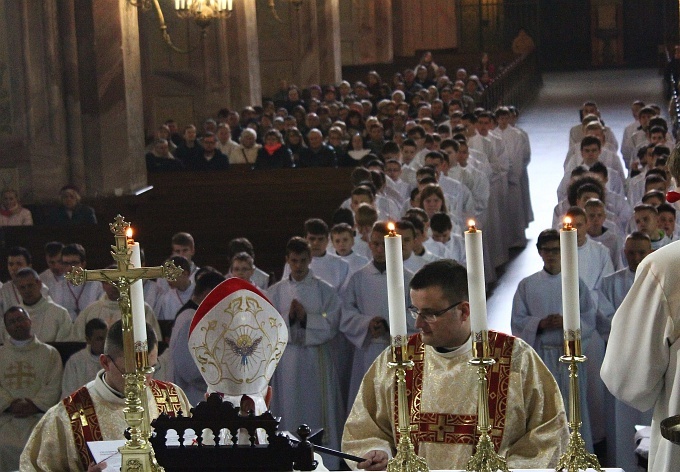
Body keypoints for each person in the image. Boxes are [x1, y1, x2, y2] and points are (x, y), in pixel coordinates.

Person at [343, 260, 569, 470]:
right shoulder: (398, 359)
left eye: (430, 314)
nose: (419, 323)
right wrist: (378, 452)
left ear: (464, 311)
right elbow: (365, 428)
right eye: (415, 311)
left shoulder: (515, 359)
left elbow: (548, 432)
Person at [21, 320, 191, 471]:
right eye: (132, 372)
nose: (143, 381)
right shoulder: (67, 415)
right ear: (105, 362)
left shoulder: (172, 398)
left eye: (150, 369)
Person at [510, 229, 597, 450]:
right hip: (543, 355)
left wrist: (569, 323)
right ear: (539, 252)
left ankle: (577, 452)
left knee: (574, 408)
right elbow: (517, 321)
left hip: (569, 355)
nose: (551, 255)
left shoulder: (575, 283)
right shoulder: (527, 285)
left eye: (556, 250)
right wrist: (539, 323)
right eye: (546, 250)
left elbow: (589, 317)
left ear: (564, 252)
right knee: (544, 409)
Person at [267, 237, 344, 469]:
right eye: (293, 261)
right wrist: (289, 318)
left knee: (317, 411)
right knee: (288, 409)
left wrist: (306, 319)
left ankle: (324, 461)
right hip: (288, 362)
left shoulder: (324, 290)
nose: (298, 266)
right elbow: (268, 327)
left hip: (315, 360)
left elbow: (332, 324)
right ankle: (287, 457)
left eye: (302, 261)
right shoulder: (276, 292)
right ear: (287, 261)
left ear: (310, 260)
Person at [340, 221, 415, 410]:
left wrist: (389, 324)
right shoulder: (358, 278)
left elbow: (416, 313)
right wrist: (366, 323)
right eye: (375, 244)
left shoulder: (407, 278)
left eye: (383, 243)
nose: (379, 249)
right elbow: (346, 313)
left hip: (398, 350)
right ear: (369, 245)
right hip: (367, 350)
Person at [0, 306, 63, 471]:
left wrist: (34, 404)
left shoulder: (50, 353)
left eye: (20, 319)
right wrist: (8, 403)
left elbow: (54, 385)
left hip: (38, 418)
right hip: (6, 418)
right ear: (6, 327)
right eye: (12, 322)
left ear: (29, 321)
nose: (17, 324)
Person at [169, 270, 225, 405]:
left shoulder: (194, 317)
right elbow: (188, 368)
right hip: (192, 396)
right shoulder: (190, 319)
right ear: (208, 294)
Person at [72, 273, 160, 341]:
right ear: (103, 285)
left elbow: (153, 340)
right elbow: (77, 341)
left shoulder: (142, 309)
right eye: (110, 282)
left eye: (118, 282)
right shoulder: (91, 310)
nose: (114, 286)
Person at [51, 243, 105, 320]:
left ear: (83, 264)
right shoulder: (57, 288)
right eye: (66, 264)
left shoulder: (96, 286)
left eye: (74, 263)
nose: (70, 268)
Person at [61, 318, 108, 398]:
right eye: (99, 339)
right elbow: (69, 394)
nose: (105, 343)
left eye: (106, 338)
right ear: (88, 340)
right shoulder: (75, 361)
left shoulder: (116, 359)